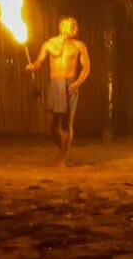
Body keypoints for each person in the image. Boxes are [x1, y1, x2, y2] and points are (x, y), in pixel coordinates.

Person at [27, 16, 90, 166]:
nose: (75, 29)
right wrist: (33, 66)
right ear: (62, 27)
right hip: (55, 83)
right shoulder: (49, 44)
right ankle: (62, 149)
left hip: (71, 83)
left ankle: (63, 156)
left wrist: (76, 84)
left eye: (76, 26)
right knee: (54, 123)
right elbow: (38, 62)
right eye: (72, 26)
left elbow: (86, 68)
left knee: (69, 121)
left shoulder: (79, 46)